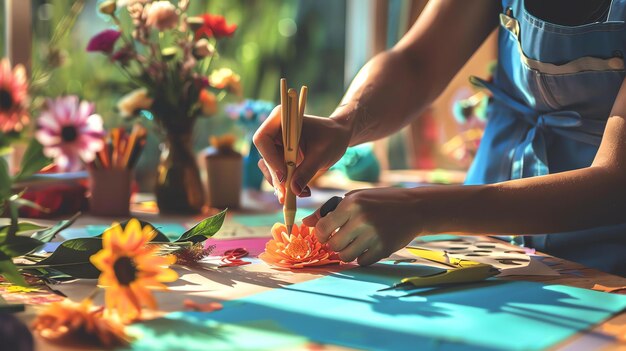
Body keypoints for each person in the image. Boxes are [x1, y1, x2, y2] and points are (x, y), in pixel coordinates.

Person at [253, 0, 626, 276]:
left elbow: (616, 181)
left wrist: (422, 209)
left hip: (606, 258)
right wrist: (343, 123)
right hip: (483, 239)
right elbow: (417, 63)